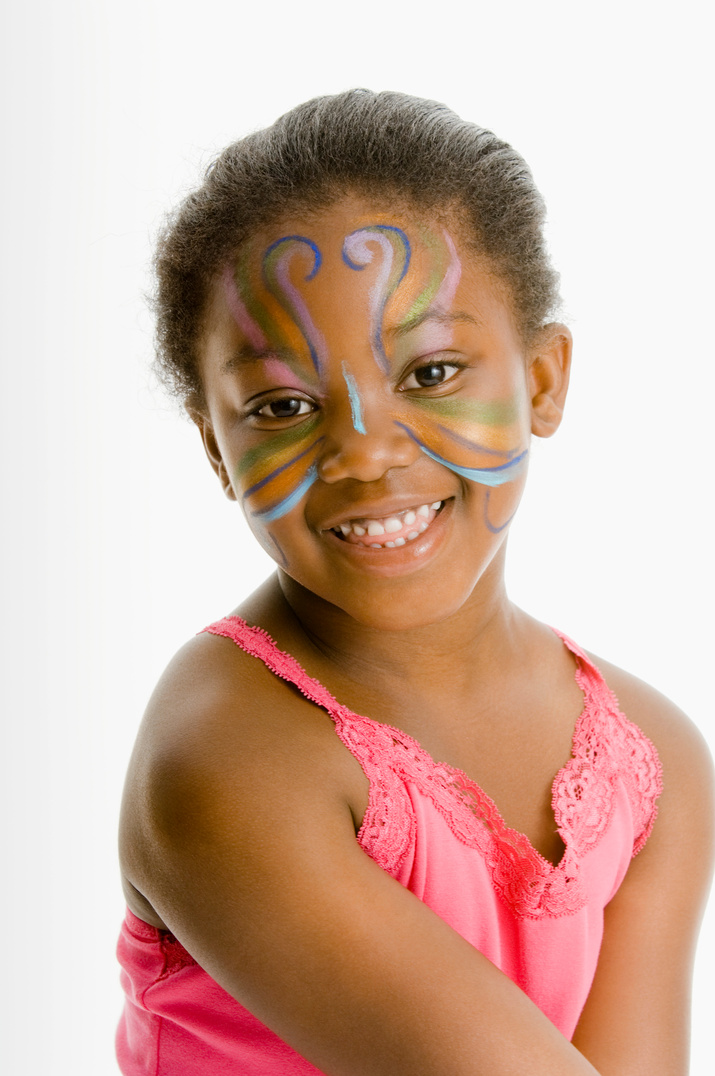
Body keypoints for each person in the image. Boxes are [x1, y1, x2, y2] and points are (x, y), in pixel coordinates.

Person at [116, 90, 714, 1076]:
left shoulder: (649, 763)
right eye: (281, 402)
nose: (363, 451)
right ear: (217, 450)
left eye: (431, 372)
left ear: (542, 379)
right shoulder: (222, 762)